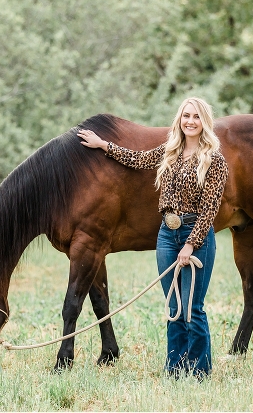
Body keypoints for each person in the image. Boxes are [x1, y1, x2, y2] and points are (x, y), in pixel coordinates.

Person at [77, 97, 229, 379]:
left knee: (192, 308)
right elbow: (137, 158)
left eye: (196, 116)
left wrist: (191, 244)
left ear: (204, 121)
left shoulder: (215, 161)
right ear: (179, 119)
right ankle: (175, 369)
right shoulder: (170, 151)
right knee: (174, 307)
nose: (190, 121)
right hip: (166, 235)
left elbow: (211, 209)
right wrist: (103, 145)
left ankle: (199, 371)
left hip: (196, 235)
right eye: (186, 116)